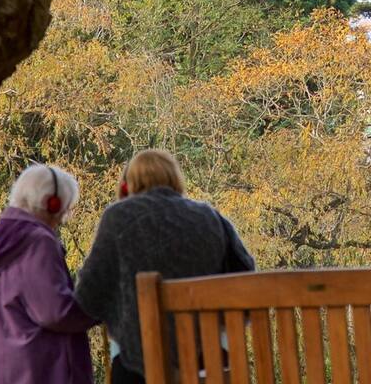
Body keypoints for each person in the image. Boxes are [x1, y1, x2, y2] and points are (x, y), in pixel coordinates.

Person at [76, 149, 255, 384]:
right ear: (175, 179)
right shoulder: (211, 217)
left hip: (139, 369)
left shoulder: (118, 217)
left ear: (128, 185)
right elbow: (246, 284)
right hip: (209, 366)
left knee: (124, 349)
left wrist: (119, 309)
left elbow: (88, 297)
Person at [0, 164, 97, 384]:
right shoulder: (38, 242)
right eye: (66, 208)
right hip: (41, 371)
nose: (64, 217)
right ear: (52, 204)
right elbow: (55, 312)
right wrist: (96, 308)